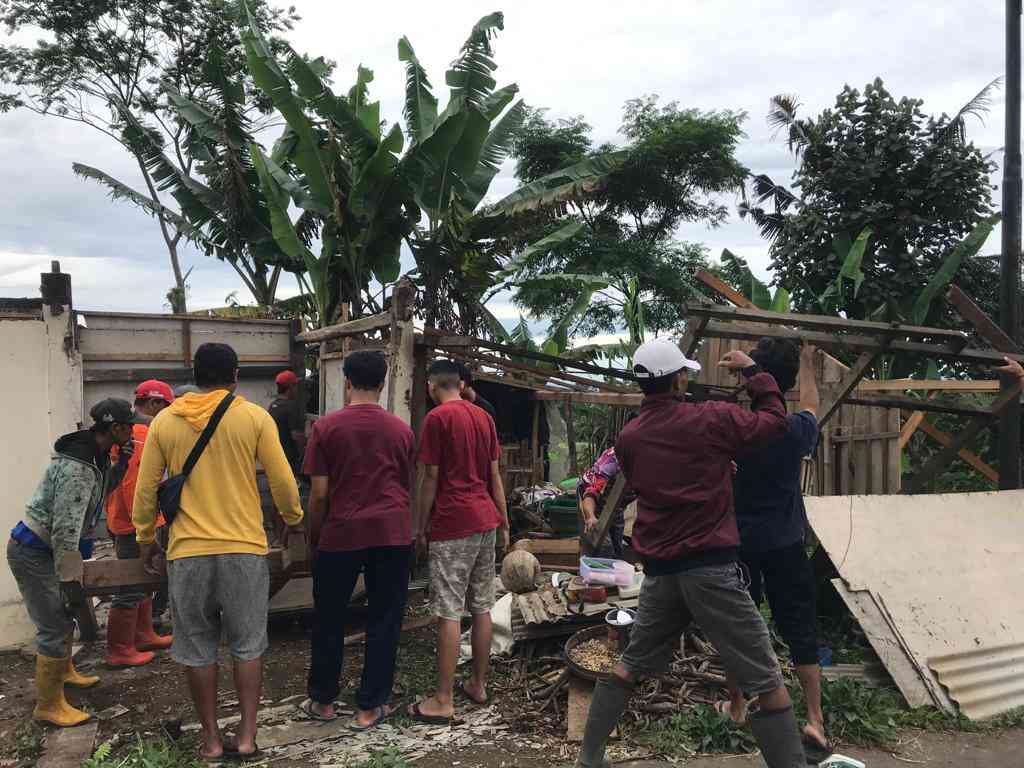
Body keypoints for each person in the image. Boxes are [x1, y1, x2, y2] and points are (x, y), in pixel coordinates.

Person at [575, 338, 810, 768]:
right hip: (710, 569)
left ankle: (589, 758)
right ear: (680, 378)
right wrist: (756, 373)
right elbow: (774, 424)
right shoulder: (710, 419)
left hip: (662, 571)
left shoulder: (629, 437)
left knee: (630, 664)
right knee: (766, 678)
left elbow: (653, 478)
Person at [133, 343, 304, 761]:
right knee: (248, 645)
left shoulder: (165, 422)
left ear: (194, 373)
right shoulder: (253, 417)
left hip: (187, 552)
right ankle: (246, 736)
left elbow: (146, 487)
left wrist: (143, 539)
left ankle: (210, 740)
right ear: (236, 376)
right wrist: (293, 519)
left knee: (196, 647)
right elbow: (282, 481)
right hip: (243, 549)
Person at [724, 341, 828, 760]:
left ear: (754, 383)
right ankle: (816, 719)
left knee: (737, 626)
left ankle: (736, 705)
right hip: (786, 542)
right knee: (800, 626)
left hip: (741, 544)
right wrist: (806, 360)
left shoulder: (735, 428)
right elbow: (812, 402)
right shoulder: (794, 430)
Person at [301, 350, 416, 730]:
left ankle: (323, 701)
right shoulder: (402, 430)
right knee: (384, 619)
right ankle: (370, 707)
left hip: (342, 534)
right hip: (392, 533)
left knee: (329, 618)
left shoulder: (326, 428)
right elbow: (406, 486)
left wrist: (315, 537)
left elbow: (319, 494)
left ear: (346, 383)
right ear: (383, 385)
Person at [7, 398, 135, 727]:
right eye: (128, 425)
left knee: (64, 616)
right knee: (53, 624)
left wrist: (120, 467)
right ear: (116, 428)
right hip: (35, 551)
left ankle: (64, 672)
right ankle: (48, 706)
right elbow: (66, 527)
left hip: (47, 549)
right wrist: (70, 578)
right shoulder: (79, 466)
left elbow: (98, 496)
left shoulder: (98, 454)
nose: (133, 430)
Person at [408, 360, 510, 724]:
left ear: (432, 386)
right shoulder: (484, 417)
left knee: (449, 611)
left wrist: (420, 526)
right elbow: (495, 476)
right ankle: (478, 684)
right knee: (482, 606)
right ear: (460, 384)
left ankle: (443, 699)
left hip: (453, 522)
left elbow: (430, 478)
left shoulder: (437, 419)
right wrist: (504, 521)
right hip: (485, 519)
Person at [104, 380, 175, 668]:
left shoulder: (132, 432)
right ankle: (120, 649)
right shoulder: (140, 434)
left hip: (129, 520)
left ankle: (143, 634)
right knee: (131, 584)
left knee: (143, 581)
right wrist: (144, 530)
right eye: (166, 407)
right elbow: (133, 486)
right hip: (134, 525)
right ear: (155, 404)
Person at [576, 414, 638, 558]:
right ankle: (590, 574)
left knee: (617, 548)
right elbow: (590, 493)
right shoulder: (612, 460)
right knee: (600, 546)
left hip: (615, 505)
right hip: (591, 499)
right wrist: (590, 516)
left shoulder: (649, 460)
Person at [269, 369, 306, 475]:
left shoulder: (273, 406)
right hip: (290, 460)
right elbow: (296, 435)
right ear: (290, 388)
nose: (297, 389)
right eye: (295, 386)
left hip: (277, 457)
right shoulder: (291, 407)